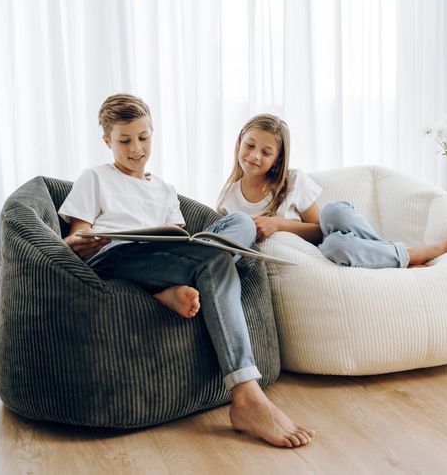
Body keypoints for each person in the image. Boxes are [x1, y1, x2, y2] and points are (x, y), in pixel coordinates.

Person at [59, 94, 315, 448]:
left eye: (143, 138)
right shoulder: (95, 177)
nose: (136, 148)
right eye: (125, 140)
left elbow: (183, 238)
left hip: (167, 260)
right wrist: (79, 242)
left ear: (153, 134)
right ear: (107, 141)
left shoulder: (165, 190)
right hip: (115, 255)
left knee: (236, 225)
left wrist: (192, 247)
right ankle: (247, 395)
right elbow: (76, 235)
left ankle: (166, 293)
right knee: (216, 260)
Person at [217, 113, 447, 268]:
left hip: (327, 239)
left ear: (278, 160)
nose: (255, 156)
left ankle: (391, 252)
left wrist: (279, 224)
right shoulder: (229, 200)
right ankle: (408, 255)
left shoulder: (292, 182)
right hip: (329, 254)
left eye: (266, 152)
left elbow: (320, 231)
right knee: (335, 247)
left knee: (332, 212)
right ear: (240, 141)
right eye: (250, 145)